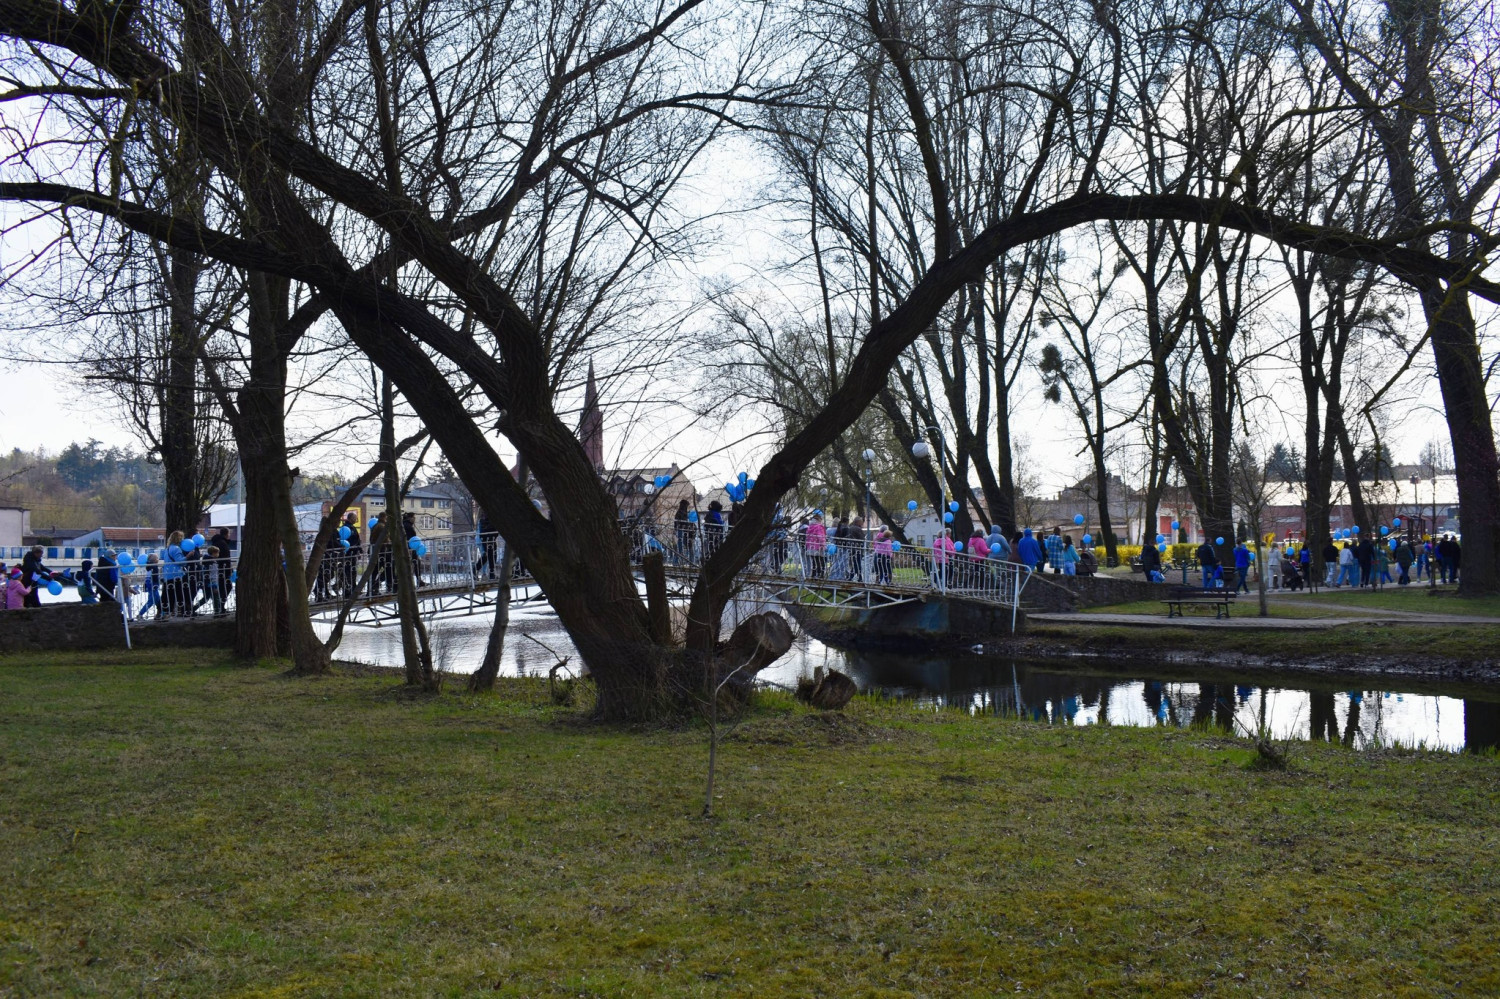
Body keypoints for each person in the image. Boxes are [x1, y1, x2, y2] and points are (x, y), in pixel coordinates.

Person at [162, 532, 188, 616]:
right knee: (179, 593)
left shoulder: (168, 549)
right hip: (176, 574)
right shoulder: (176, 548)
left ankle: (167, 612)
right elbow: (180, 562)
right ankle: (182, 611)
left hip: (168, 574)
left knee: (169, 594)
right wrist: (188, 557)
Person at [341, 512, 363, 596]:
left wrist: (359, 551)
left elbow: (357, 541)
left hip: (353, 552)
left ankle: (353, 589)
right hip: (348, 553)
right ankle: (348, 590)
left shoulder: (352, 527)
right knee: (348, 572)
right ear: (350, 518)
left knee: (352, 571)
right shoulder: (346, 527)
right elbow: (352, 541)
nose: (356, 519)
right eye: (355, 518)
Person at [401, 511, 424, 587]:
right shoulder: (407, 526)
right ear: (410, 518)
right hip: (410, 548)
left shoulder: (405, 525)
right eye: (414, 517)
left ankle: (415, 581)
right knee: (416, 563)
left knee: (413, 564)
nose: (414, 519)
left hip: (409, 548)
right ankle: (418, 581)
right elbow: (410, 538)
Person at [474, 510, 498, 578]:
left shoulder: (483, 518)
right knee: (491, 556)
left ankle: (475, 570)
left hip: (488, 539)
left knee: (488, 556)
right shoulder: (485, 519)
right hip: (487, 539)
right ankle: (491, 573)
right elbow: (488, 528)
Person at [803, 511, 828, 577]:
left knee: (814, 561)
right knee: (820, 561)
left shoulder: (810, 527)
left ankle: (813, 574)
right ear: (819, 519)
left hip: (810, 546)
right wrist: (823, 545)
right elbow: (821, 537)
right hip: (818, 547)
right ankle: (820, 574)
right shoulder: (819, 527)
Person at [673, 500, 695, 564]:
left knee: (683, 548)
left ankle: (677, 562)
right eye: (687, 505)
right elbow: (681, 522)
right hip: (683, 531)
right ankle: (678, 562)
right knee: (682, 548)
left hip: (683, 531)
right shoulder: (681, 512)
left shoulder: (682, 512)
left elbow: (676, 523)